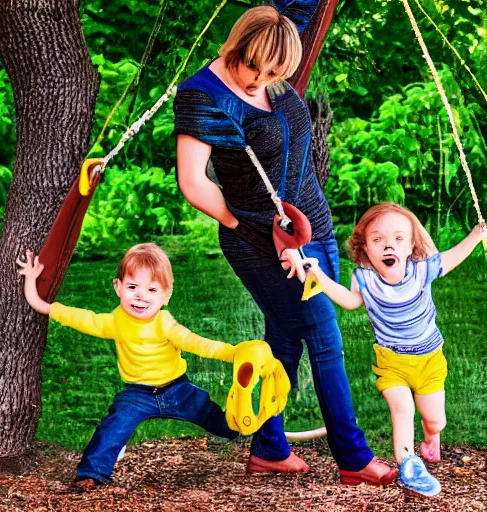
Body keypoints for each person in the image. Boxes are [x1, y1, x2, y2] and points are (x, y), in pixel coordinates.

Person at [174, 0, 397, 484]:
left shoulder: (274, 42)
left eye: (275, 72)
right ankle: (354, 459)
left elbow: (296, 9)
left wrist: (299, 231)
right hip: (261, 241)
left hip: (313, 226)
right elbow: (193, 182)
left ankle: (270, 449)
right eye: (254, 66)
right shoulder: (203, 96)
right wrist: (246, 225)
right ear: (238, 44)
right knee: (324, 338)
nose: (261, 78)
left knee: (285, 338)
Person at [17, 243, 239, 490]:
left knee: (220, 420)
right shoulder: (115, 322)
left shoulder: (164, 323)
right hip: (138, 394)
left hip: (178, 390)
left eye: (152, 289)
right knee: (113, 426)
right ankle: (91, 474)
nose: (141, 296)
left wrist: (234, 353)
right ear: (118, 288)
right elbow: (68, 314)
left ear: (165, 295)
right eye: (133, 287)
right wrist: (31, 282)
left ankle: (247, 433)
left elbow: (198, 344)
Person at [302, 202, 487, 496]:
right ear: (365, 249)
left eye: (398, 239)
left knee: (436, 420)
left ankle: (430, 439)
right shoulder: (364, 278)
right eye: (378, 240)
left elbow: (453, 256)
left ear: (411, 245)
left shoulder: (422, 271)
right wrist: (316, 275)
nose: (389, 245)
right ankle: (409, 463)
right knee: (402, 409)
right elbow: (349, 302)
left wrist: (478, 234)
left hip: (429, 362)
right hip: (392, 362)